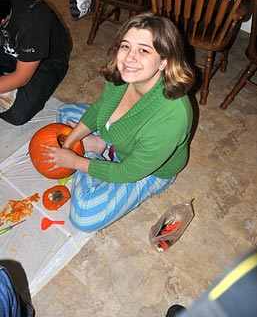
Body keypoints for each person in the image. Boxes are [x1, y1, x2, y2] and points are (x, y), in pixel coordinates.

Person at [41, 12, 195, 232]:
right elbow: (98, 110)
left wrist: (76, 162)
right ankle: (101, 146)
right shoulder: (123, 75)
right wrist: (69, 143)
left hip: (149, 170)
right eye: (125, 46)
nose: (129, 58)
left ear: (164, 61)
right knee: (65, 112)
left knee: (84, 217)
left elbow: (129, 172)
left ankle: (96, 152)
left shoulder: (173, 115)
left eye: (143, 50)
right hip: (119, 138)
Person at [0, 0, 72, 125]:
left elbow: (22, 77)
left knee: (17, 113)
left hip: (47, 59)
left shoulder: (33, 19)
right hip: (8, 48)